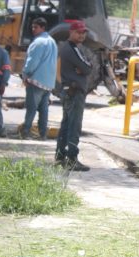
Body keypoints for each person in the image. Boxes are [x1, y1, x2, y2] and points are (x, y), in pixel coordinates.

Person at [55, 20, 93, 172]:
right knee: (74, 126)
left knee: (66, 125)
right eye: (78, 32)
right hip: (74, 92)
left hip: (68, 91)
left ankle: (60, 157)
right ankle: (71, 159)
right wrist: (83, 68)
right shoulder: (72, 49)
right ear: (71, 32)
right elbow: (88, 68)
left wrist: (84, 67)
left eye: (83, 32)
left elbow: (85, 67)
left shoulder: (69, 48)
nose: (82, 35)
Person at [21, 17, 57, 139]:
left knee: (31, 108)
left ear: (43, 27)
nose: (33, 29)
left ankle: (26, 132)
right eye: (32, 27)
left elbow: (32, 61)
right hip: (48, 83)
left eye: (36, 27)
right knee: (43, 110)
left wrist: (25, 74)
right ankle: (43, 134)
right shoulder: (52, 41)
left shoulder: (39, 42)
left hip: (36, 80)